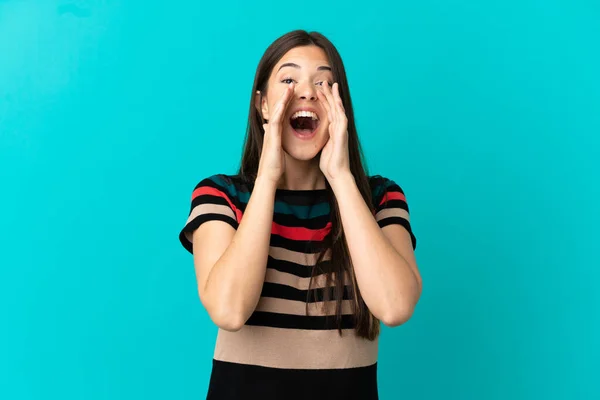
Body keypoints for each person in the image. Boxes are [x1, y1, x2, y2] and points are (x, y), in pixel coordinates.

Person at [179, 29, 422, 400]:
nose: (306, 92)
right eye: (289, 79)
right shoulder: (221, 195)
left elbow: (394, 306)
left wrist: (341, 178)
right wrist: (268, 177)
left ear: (340, 107)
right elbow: (229, 311)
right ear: (262, 104)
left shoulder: (380, 198)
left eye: (323, 82)